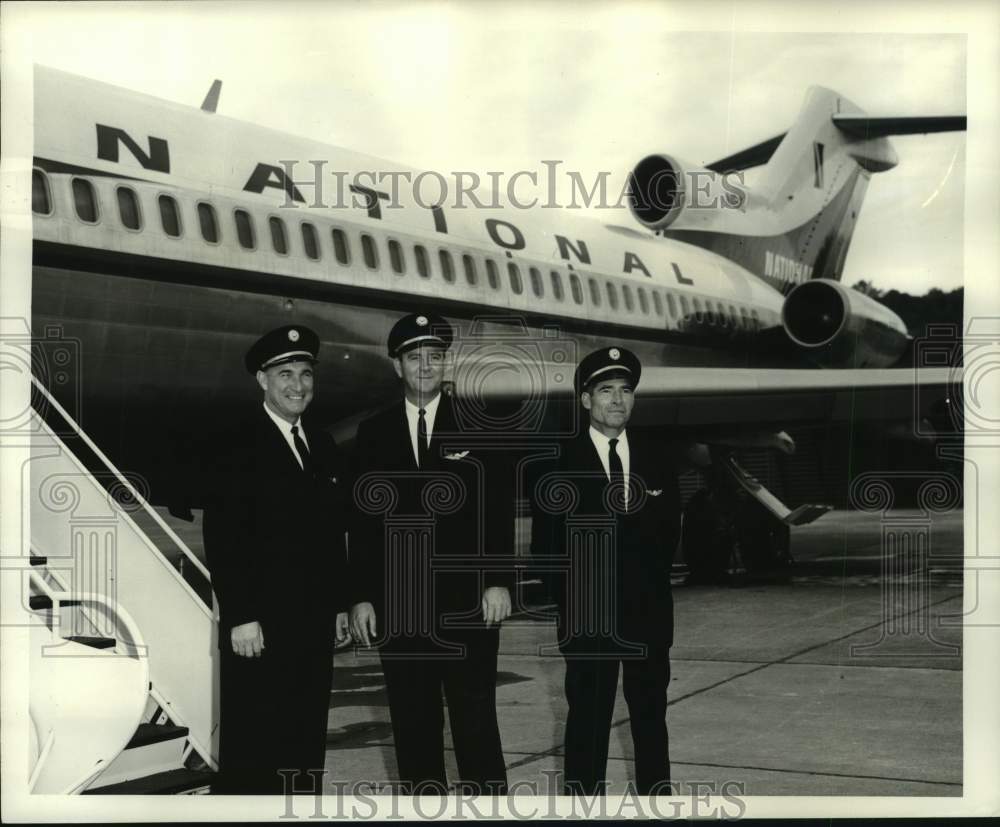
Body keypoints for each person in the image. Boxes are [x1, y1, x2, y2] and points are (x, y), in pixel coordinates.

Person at [348, 312, 512, 794]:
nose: (425, 366)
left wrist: (498, 579)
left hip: (467, 601)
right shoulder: (373, 434)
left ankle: (490, 810)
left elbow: (495, 509)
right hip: (400, 604)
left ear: (447, 363)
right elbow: (362, 523)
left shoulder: (478, 427)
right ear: (397, 366)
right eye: (414, 358)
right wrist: (360, 595)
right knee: (412, 717)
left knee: (475, 715)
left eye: (434, 357)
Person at [202, 324, 349, 794]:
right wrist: (241, 616)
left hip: (311, 625)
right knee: (254, 746)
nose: (298, 386)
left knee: (305, 741)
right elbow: (223, 537)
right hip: (259, 628)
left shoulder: (321, 445)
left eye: (306, 374)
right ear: (262, 380)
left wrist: (340, 604)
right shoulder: (234, 444)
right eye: (285, 374)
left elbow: (330, 536)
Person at [531, 346, 678, 796]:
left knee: (651, 716)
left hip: (647, 619)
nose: (618, 400)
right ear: (585, 400)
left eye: (626, 390)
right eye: (606, 390)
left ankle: (657, 802)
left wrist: (648, 595)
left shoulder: (656, 455)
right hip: (588, 620)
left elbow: (670, 532)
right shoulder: (559, 462)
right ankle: (583, 806)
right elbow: (547, 548)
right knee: (588, 721)